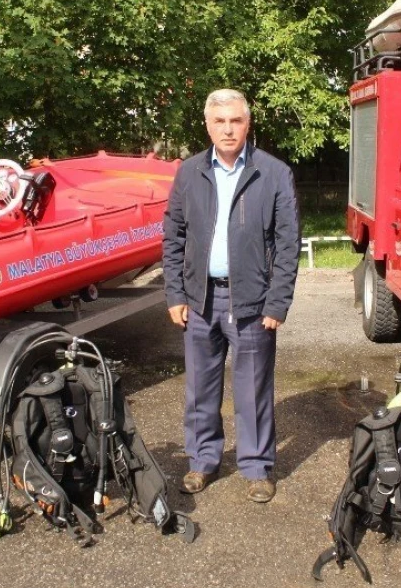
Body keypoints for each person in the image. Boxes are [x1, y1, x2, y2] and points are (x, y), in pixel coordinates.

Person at [162, 88, 300, 503]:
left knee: (253, 387)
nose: (227, 129)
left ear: (247, 124)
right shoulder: (189, 172)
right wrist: (174, 293)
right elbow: (173, 235)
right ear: (207, 125)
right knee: (201, 387)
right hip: (200, 300)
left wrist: (278, 302)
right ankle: (203, 460)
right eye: (219, 121)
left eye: (235, 121)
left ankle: (257, 466)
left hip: (253, 303)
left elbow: (288, 241)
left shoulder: (273, 173)